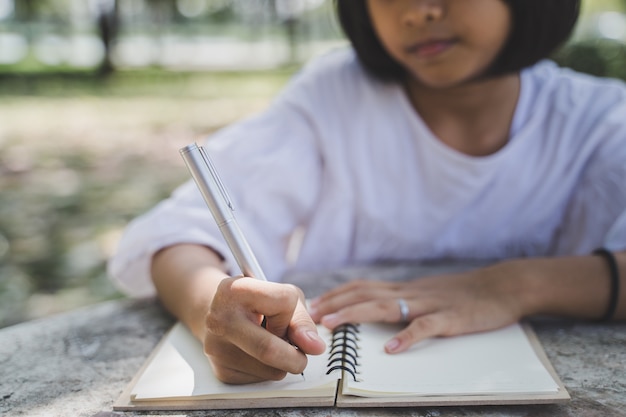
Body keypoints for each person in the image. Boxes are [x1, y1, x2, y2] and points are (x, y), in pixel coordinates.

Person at [108, 0, 626, 385]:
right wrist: (212, 314)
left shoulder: (602, 121)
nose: (419, 11)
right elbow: (176, 236)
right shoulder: (333, 97)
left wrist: (517, 286)